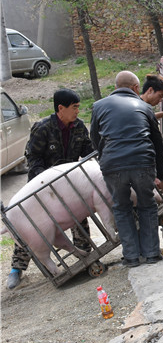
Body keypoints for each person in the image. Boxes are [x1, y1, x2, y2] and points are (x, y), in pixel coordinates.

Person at [7, 88, 95, 289]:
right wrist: (45, 179)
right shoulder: (43, 128)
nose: (77, 112)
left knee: (79, 216)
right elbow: (33, 158)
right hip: (43, 188)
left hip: (70, 185)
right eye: (74, 108)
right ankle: (17, 269)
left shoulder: (79, 128)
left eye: (78, 107)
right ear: (60, 108)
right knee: (31, 226)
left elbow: (89, 153)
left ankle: (85, 257)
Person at [90, 71, 163, 268]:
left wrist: (107, 158)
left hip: (112, 166)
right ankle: (152, 254)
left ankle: (132, 258)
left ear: (116, 86)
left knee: (121, 208)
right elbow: (157, 145)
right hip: (142, 163)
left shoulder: (98, 106)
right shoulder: (144, 108)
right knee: (147, 205)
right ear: (136, 88)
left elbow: (94, 138)